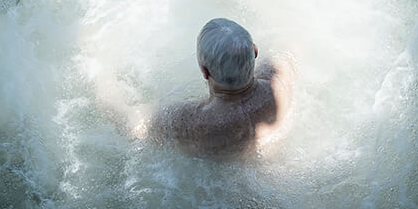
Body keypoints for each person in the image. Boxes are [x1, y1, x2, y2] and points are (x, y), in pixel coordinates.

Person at [101, 18, 296, 156]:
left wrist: (97, 71)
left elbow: (130, 125)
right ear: (254, 51)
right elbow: (292, 40)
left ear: (204, 71)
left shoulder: (194, 122)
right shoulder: (281, 82)